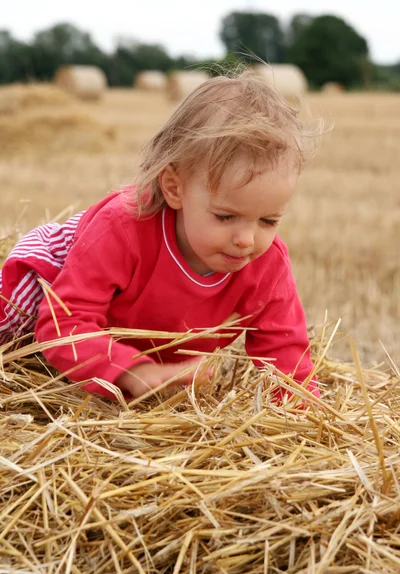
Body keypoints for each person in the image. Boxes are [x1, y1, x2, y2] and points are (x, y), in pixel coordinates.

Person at [0, 70, 321, 402]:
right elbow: (62, 325)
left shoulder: (267, 264)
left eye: (268, 221)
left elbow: (287, 357)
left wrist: (308, 421)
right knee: (13, 328)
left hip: (120, 328)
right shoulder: (122, 228)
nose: (247, 239)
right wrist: (133, 371)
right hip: (52, 279)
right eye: (225, 216)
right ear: (174, 188)